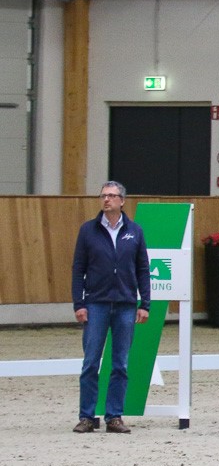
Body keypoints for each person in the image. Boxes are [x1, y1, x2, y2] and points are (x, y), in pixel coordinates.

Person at [71, 181, 151, 434]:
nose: (106, 200)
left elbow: (142, 269)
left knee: (120, 364)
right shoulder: (88, 231)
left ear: (122, 201)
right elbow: (78, 270)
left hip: (126, 305)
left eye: (112, 196)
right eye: (103, 196)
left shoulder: (135, 232)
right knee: (91, 362)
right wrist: (79, 303)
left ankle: (114, 416)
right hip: (96, 304)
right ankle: (87, 416)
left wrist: (144, 303)